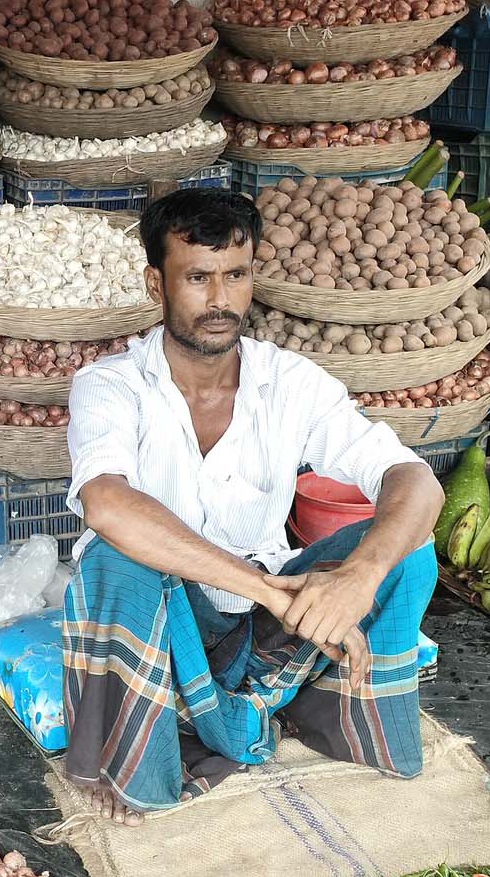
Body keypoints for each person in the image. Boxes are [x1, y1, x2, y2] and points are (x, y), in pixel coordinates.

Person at [62, 187, 443, 825]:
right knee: (115, 558)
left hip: (266, 621)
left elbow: (414, 479)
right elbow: (107, 504)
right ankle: (136, 762)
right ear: (157, 285)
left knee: (409, 547)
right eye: (198, 279)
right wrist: (270, 590)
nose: (219, 301)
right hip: (171, 614)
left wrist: (358, 577)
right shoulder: (111, 385)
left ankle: (311, 707)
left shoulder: (289, 381)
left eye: (235, 276)